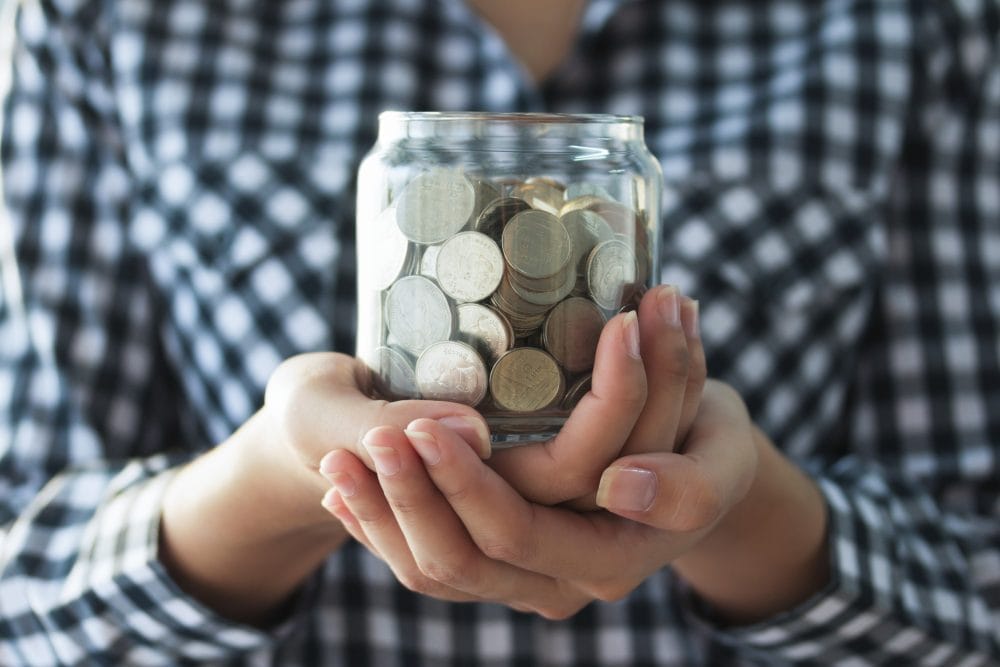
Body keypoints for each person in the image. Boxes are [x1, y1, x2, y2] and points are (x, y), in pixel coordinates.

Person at [0, 0, 998, 664]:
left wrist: (737, 508)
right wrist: (267, 487)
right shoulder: (113, 17)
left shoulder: (919, 24)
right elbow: (21, 594)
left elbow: (976, 593)